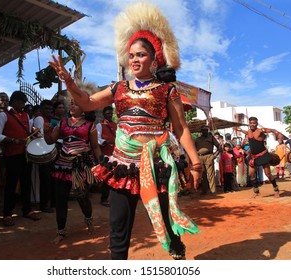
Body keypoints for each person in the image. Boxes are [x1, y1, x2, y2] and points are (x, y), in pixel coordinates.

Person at [47, 2, 201, 260]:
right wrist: (69, 81)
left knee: (169, 228)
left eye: (141, 54)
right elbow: (87, 103)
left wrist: (195, 164)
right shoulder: (118, 88)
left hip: (156, 166)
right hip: (123, 167)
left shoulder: (167, 90)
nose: (134, 59)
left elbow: (181, 128)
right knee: (118, 233)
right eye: (131, 55)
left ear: (154, 59)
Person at [44, 90, 102, 245]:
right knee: (61, 199)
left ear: (84, 107)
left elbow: (95, 147)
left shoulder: (90, 126)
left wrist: (100, 163)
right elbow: (50, 141)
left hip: (81, 166)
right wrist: (46, 132)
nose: (71, 105)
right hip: (62, 166)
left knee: (82, 198)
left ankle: (89, 222)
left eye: (75, 103)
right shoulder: (63, 123)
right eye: (71, 103)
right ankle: (61, 232)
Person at [0, 91, 41, 226]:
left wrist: (35, 133)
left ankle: (27, 210)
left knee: (26, 183)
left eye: (24, 102)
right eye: (21, 102)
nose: (23, 105)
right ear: (14, 102)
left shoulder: (26, 115)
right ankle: (7, 213)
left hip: (25, 155)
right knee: (11, 185)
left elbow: (29, 131)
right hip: (12, 156)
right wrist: (13, 140)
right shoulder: (3, 116)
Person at [235, 117, 280, 198]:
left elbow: (269, 130)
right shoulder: (248, 131)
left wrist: (275, 132)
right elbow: (246, 132)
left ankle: (276, 189)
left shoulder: (260, 131)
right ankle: (256, 191)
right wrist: (240, 130)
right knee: (251, 174)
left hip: (263, 155)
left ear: (256, 123)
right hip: (253, 156)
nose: (252, 124)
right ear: (249, 124)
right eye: (251, 123)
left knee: (268, 174)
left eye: (254, 123)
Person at [32, 99, 55, 213]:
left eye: (51, 109)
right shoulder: (40, 118)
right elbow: (38, 136)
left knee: (47, 179)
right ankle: (43, 204)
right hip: (42, 153)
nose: (49, 111)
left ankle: (46, 202)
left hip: (46, 151)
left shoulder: (46, 119)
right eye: (46, 109)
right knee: (44, 179)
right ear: (41, 109)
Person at [96, 106, 117, 207]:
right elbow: (97, 139)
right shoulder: (100, 125)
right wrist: (107, 142)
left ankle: (112, 198)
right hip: (105, 155)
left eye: (111, 113)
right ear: (104, 114)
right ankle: (104, 199)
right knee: (106, 177)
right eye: (107, 113)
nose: (109, 115)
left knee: (114, 176)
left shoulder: (116, 125)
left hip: (115, 154)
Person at [195, 125, 221, 195]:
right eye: (203, 130)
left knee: (211, 174)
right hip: (200, 157)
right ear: (201, 131)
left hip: (209, 156)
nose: (205, 131)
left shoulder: (211, 138)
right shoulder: (197, 139)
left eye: (206, 130)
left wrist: (215, 155)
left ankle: (213, 191)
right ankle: (204, 190)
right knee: (203, 174)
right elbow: (194, 149)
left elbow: (219, 146)